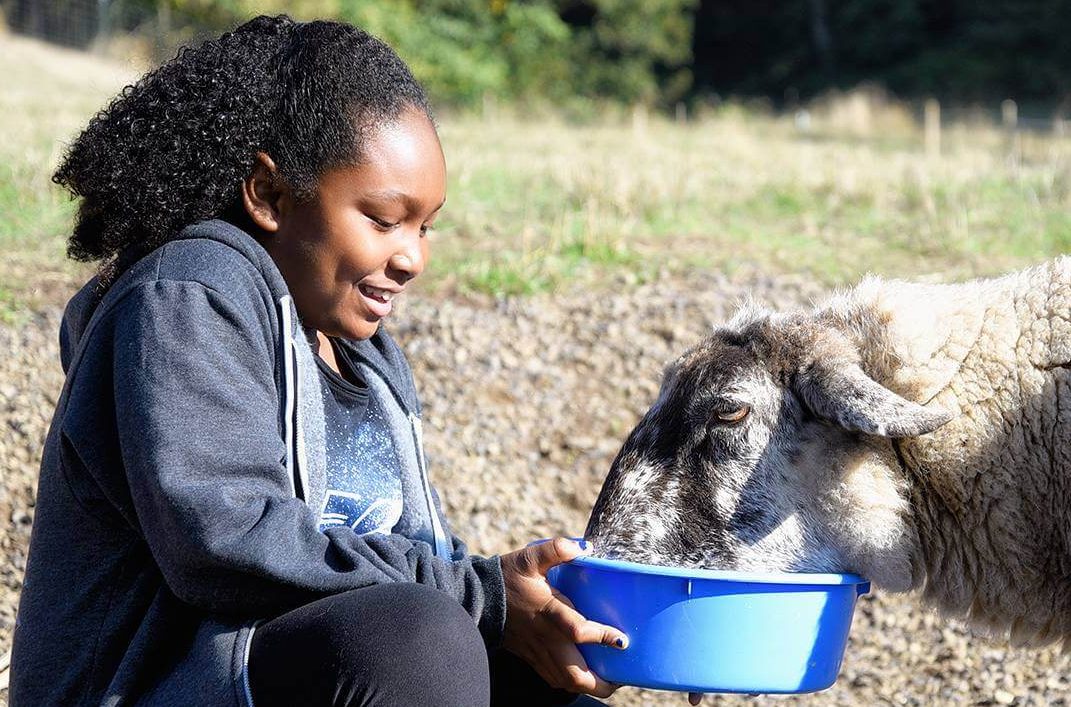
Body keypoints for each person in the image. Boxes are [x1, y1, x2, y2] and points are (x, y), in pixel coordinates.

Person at [8, 15, 635, 707]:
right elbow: (222, 542)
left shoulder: (365, 357)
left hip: (314, 670)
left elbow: (417, 556)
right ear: (270, 194)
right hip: (151, 688)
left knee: (530, 678)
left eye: (426, 226)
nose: (412, 257)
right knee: (422, 636)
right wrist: (480, 595)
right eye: (383, 218)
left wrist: (550, 617)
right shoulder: (187, 293)